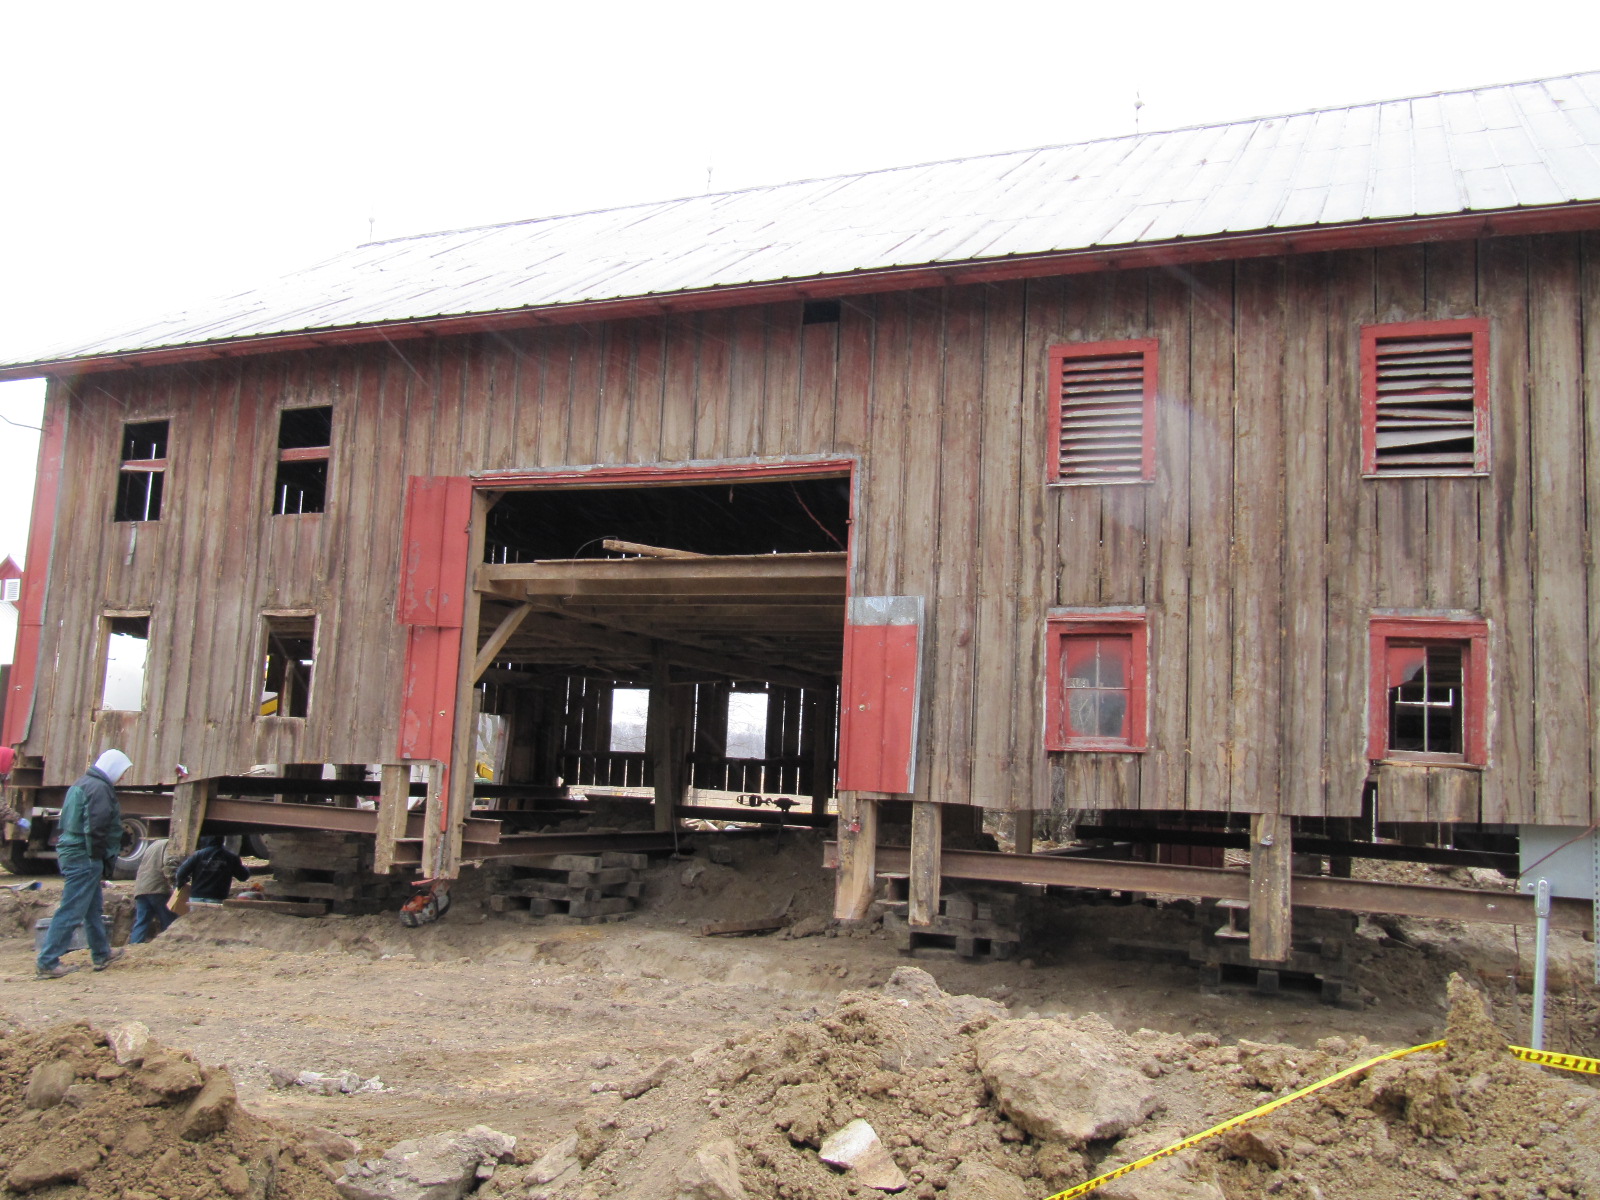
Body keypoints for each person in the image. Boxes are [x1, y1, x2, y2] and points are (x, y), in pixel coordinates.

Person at [36, 749, 130, 980]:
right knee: (72, 909)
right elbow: (97, 828)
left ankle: (101, 953)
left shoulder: (83, 783)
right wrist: (101, 859)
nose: (122, 778)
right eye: (122, 772)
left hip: (75, 851)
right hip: (84, 857)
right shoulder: (99, 788)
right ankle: (48, 961)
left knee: (92, 908)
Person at [173, 835, 250, 904]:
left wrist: (180, 885)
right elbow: (243, 877)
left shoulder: (197, 855)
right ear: (222, 840)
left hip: (196, 899)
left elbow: (180, 874)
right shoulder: (230, 857)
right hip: (217, 899)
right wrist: (246, 869)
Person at [130, 837, 177, 942]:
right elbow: (169, 864)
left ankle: (134, 947)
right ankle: (168, 946)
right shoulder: (171, 844)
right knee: (169, 921)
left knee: (142, 921)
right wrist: (175, 883)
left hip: (142, 887)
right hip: (158, 888)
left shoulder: (155, 844)